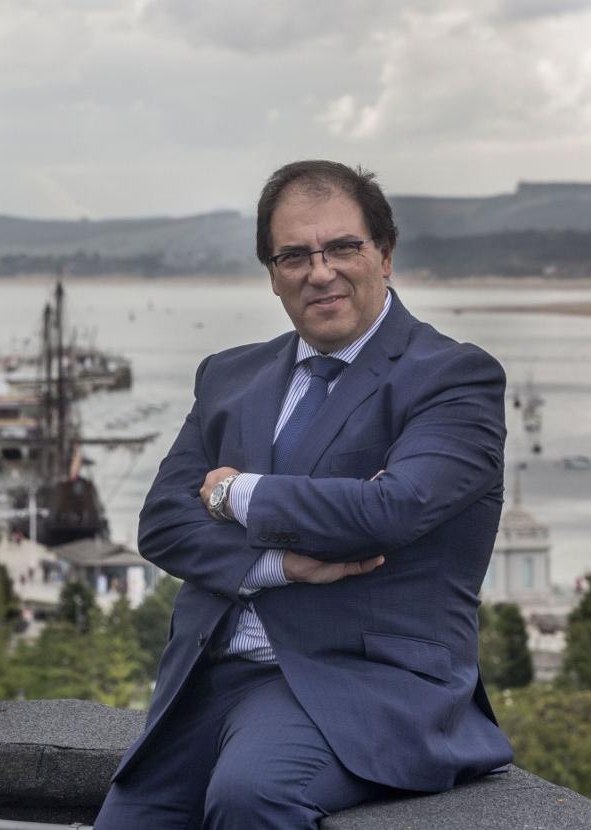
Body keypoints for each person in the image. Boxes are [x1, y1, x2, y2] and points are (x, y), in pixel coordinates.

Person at [95, 160, 512, 829]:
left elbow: (391, 510)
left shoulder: (452, 378)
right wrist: (284, 563)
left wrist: (235, 495)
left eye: (343, 247)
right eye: (294, 255)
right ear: (272, 273)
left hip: (365, 686)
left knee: (254, 796)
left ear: (385, 255)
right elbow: (163, 523)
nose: (320, 272)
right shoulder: (229, 376)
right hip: (205, 682)